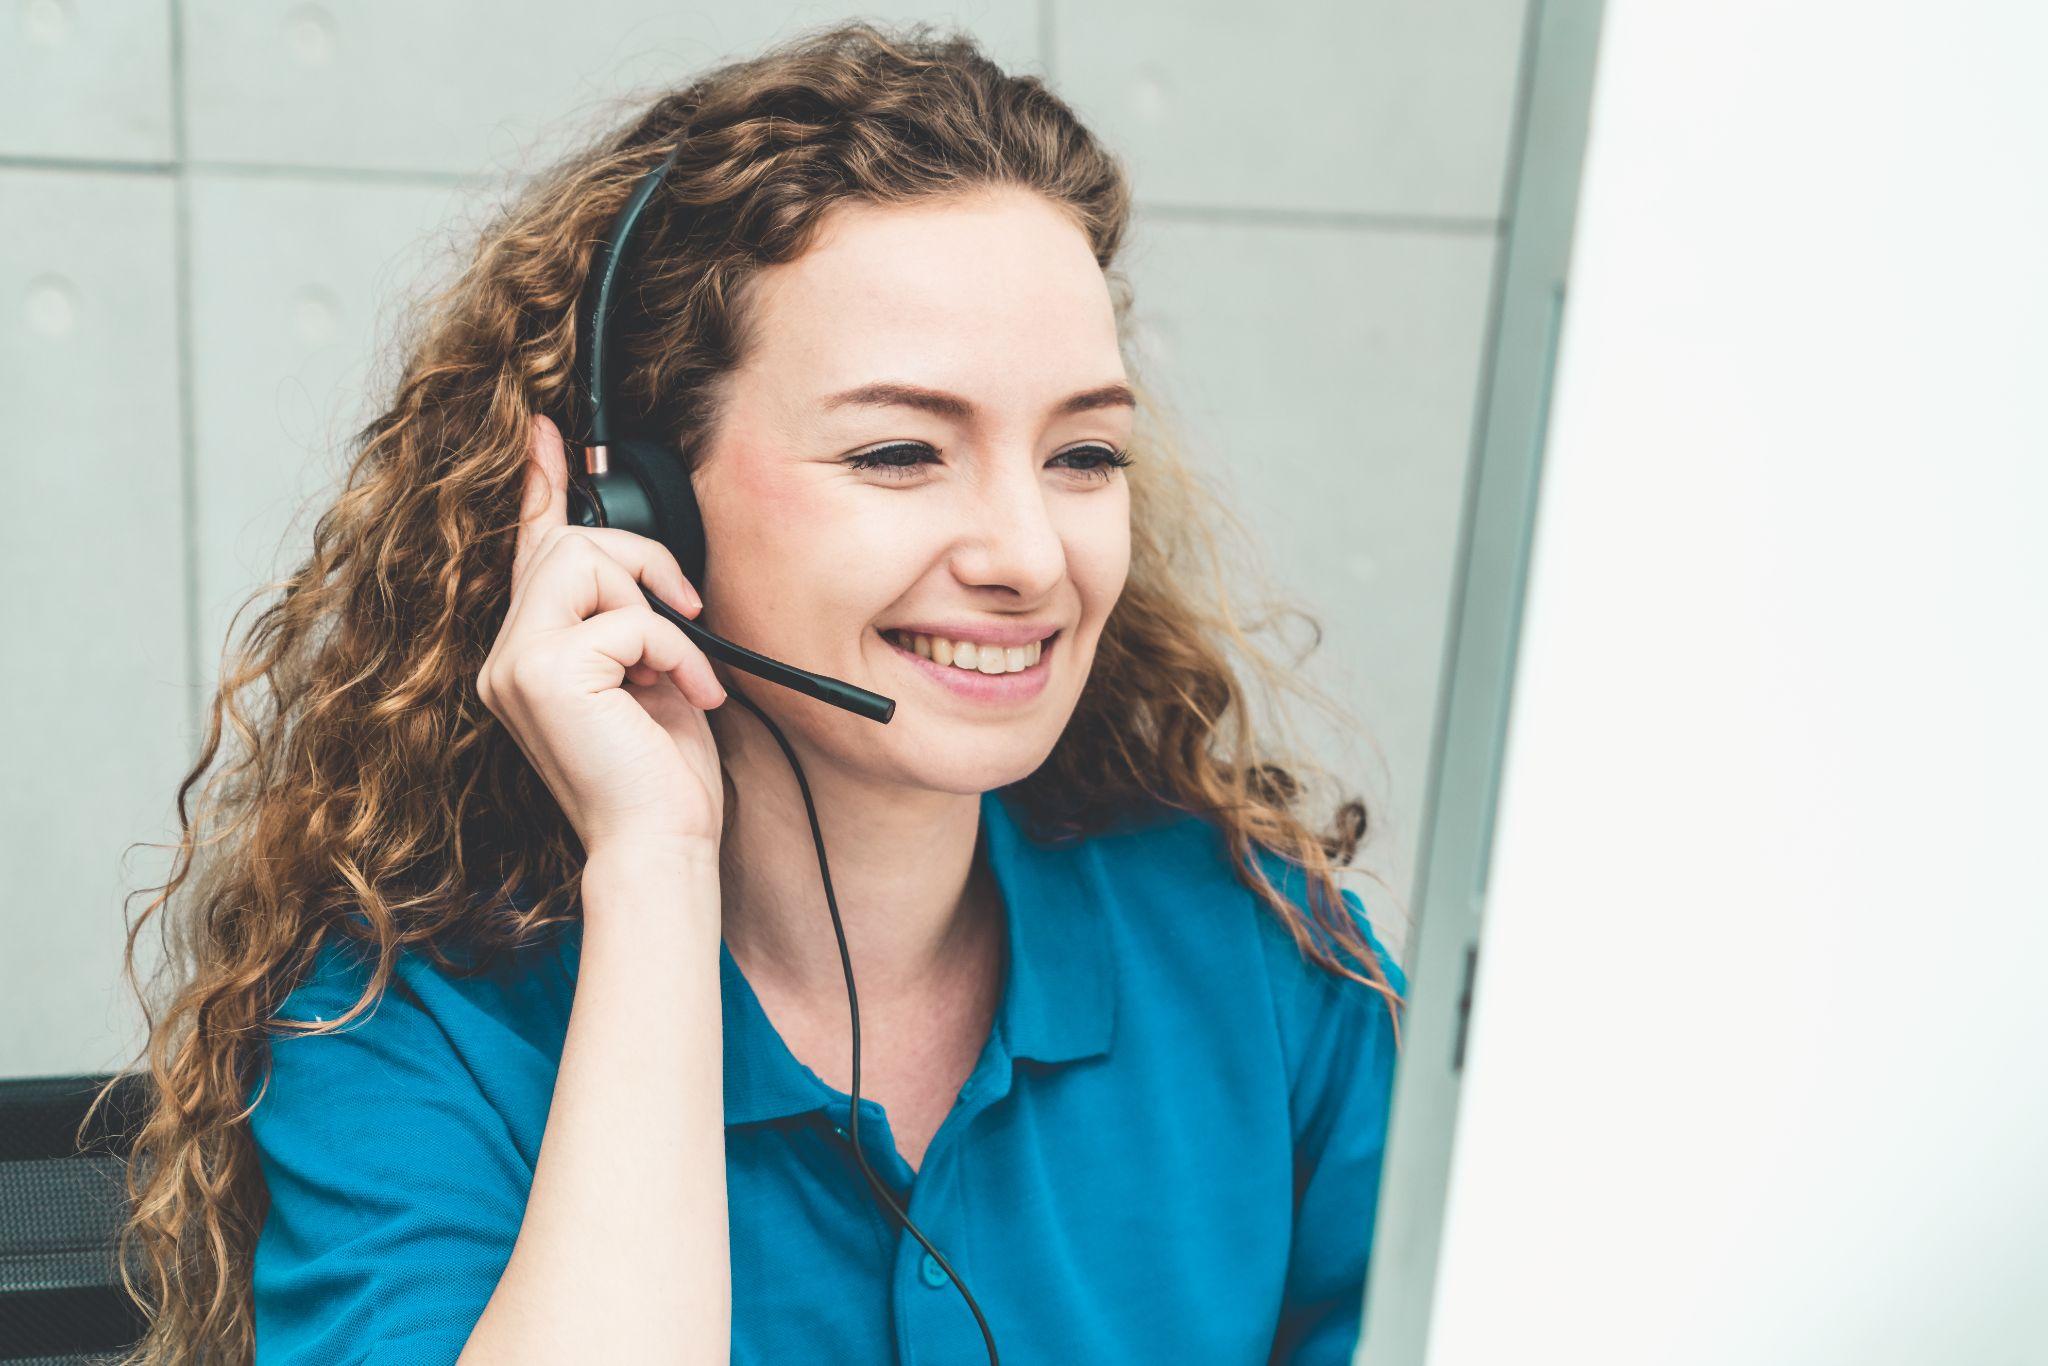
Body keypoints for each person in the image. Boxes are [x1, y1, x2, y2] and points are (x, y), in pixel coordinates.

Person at [102, 20, 1405, 1365]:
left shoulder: (1265, 962)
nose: (1028, 556)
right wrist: (657, 865)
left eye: (1083, 454)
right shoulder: (407, 1028)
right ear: (644, 506)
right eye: (902, 450)